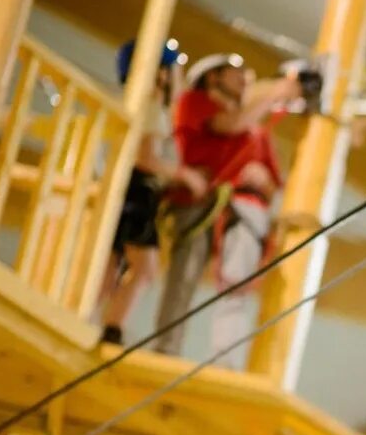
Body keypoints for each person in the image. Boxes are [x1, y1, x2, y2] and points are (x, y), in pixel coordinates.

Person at [153, 53, 299, 365]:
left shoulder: (253, 131)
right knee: (184, 278)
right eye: (235, 72)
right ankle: (166, 349)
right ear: (213, 77)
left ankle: (223, 357)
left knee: (234, 281)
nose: (244, 77)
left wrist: (262, 181)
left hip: (229, 208)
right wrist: (276, 91)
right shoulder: (197, 101)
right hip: (193, 203)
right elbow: (229, 125)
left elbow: (274, 184)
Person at [97, 38, 208, 346]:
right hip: (137, 191)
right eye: (175, 68)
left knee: (112, 265)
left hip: (131, 189)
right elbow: (146, 158)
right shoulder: (151, 105)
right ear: (160, 72)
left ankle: (99, 320)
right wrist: (185, 175)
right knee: (143, 268)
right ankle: (112, 327)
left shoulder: (142, 103)